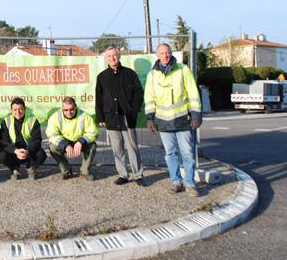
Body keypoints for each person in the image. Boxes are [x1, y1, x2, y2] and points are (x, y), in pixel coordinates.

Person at [144, 43, 202, 197]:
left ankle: (189, 183)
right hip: (163, 122)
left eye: (167, 52)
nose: (165, 55)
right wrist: (149, 118)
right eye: (162, 53)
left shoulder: (183, 70)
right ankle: (176, 181)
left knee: (187, 153)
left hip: (182, 119)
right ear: (157, 55)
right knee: (170, 153)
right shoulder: (152, 75)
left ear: (171, 53)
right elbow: (149, 98)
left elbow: (193, 92)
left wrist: (196, 114)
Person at [95, 46, 145, 186]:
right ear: (106, 58)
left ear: (119, 56)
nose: (112, 58)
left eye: (114, 55)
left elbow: (138, 94)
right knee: (117, 149)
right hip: (111, 117)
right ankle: (123, 174)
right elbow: (99, 99)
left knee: (132, 147)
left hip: (127, 117)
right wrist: (100, 118)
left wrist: (133, 110)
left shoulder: (130, 74)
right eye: (109, 56)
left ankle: (138, 175)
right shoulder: (102, 77)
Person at [46, 97, 99, 180]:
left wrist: (81, 142)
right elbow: (52, 134)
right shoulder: (55, 116)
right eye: (66, 110)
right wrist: (65, 145)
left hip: (79, 141)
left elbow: (93, 132)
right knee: (52, 147)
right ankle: (66, 171)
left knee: (92, 146)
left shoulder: (84, 116)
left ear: (75, 107)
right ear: (62, 109)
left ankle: (84, 171)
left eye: (71, 109)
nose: (69, 112)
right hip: (65, 141)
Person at [0, 97, 47, 180]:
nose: (18, 112)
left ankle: (31, 168)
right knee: (2, 156)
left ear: (24, 109)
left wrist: (28, 151)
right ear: (11, 110)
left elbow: (37, 140)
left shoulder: (32, 120)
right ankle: (14, 169)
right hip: (14, 152)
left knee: (41, 154)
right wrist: (16, 151)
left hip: (29, 152)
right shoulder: (6, 121)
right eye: (15, 109)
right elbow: (3, 141)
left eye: (20, 109)